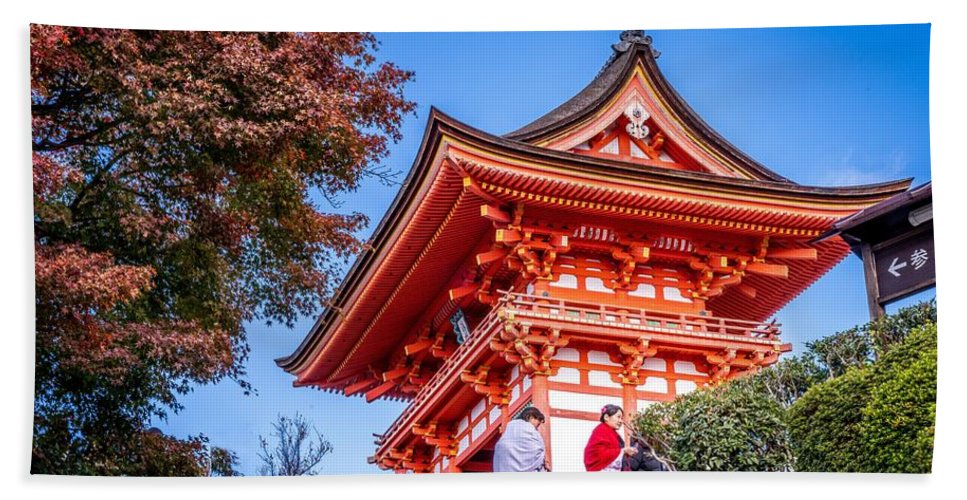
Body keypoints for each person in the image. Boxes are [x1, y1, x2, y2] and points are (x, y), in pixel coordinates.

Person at [493, 406, 548, 472]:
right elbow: (537, 451)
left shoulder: (508, 430)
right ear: (531, 418)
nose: (537, 428)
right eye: (538, 424)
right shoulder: (530, 430)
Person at [584, 404, 636, 472]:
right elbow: (597, 454)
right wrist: (623, 451)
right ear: (606, 417)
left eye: (622, 418)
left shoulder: (612, 433)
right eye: (618, 417)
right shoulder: (601, 431)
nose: (621, 421)